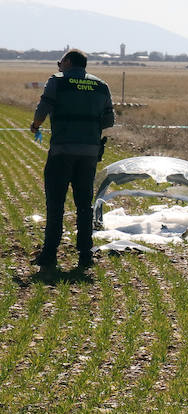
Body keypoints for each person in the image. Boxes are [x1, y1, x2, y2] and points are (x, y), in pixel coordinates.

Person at [30, 48, 115, 270]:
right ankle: (85, 255)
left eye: (60, 62)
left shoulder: (57, 81)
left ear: (68, 62)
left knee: (56, 204)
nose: (59, 66)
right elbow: (109, 122)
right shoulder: (101, 85)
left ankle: (49, 255)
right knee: (84, 205)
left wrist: (36, 126)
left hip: (62, 152)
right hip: (89, 154)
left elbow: (43, 108)